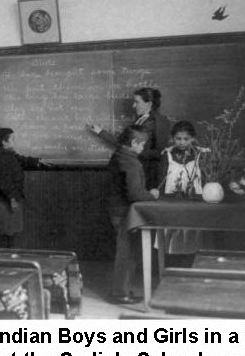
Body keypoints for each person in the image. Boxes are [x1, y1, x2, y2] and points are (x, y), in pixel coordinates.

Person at [107, 126, 160, 304]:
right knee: (127, 253)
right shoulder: (130, 162)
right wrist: (152, 195)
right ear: (133, 142)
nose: (143, 147)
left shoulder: (119, 156)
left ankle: (123, 290)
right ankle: (120, 293)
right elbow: (135, 195)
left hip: (117, 211)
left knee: (126, 252)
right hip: (125, 213)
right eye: (142, 144)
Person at [87, 87, 171, 189]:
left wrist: (135, 152)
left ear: (148, 104)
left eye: (137, 102)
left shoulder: (159, 121)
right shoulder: (141, 120)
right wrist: (100, 132)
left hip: (146, 173)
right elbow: (124, 142)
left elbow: (159, 152)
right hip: (134, 170)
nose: (133, 106)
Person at [0, 127, 43, 248]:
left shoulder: (8, 154)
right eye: (13, 139)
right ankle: (6, 257)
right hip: (7, 200)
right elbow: (4, 182)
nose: (15, 141)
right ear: (4, 142)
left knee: (11, 230)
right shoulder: (2, 158)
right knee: (7, 230)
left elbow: (21, 159)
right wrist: (12, 199)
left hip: (10, 198)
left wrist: (37, 161)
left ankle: (9, 256)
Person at [159, 120, 204, 260]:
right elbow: (162, 178)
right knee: (172, 228)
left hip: (194, 200)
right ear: (173, 138)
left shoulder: (200, 154)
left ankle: (191, 259)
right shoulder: (167, 155)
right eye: (178, 138)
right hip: (172, 200)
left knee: (191, 229)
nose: (182, 142)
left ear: (193, 138)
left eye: (186, 139)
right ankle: (170, 260)